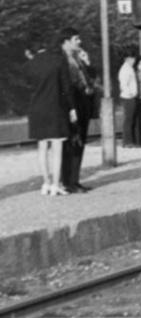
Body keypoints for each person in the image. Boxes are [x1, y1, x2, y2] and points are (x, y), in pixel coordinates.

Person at [26, 28, 79, 196]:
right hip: (56, 108)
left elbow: (28, 88)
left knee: (42, 147)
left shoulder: (29, 65)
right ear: (44, 44)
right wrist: (71, 107)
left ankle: (46, 183)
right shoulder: (58, 60)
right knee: (57, 148)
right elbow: (66, 88)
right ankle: (56, 185)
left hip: (36, 109)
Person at [61, 44, 96, 193]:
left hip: (83, 105)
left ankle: (74, 180)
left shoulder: (77, 60)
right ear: (66, 42)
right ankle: (68, 181)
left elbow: (91, 80)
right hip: (74, 106)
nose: (79, 42)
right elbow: (68, 87)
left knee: (79, 143)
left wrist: (87, 63)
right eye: (75, 39)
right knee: (72, 144)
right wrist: (72, 108)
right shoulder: (64, 61)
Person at [118, 53, 140, 147]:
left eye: (134, 59)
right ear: (127, 59)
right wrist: (131, 93)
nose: (134, 61)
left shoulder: (129, 68)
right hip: (128, 97)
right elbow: (123, 84)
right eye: (132, 58)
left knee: (131, 119)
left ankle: (130, 141)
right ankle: (127, 142)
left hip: (131, 97)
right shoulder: (125, 69)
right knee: (128, 120)